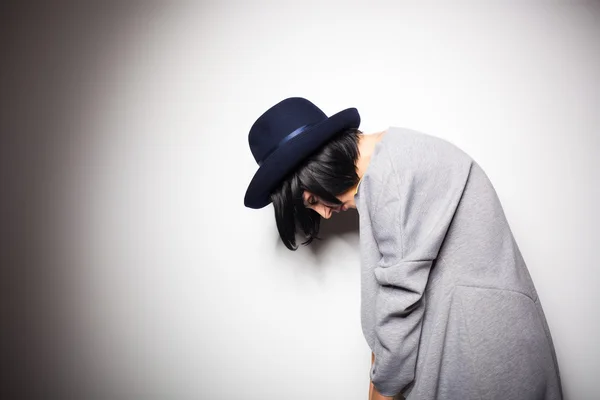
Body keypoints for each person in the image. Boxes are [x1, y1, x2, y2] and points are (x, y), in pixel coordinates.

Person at [244, 97, 564, 400]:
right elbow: (394, 294)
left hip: (486, 362)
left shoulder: (391, 179)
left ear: (317, 165)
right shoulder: (395, 160)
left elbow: (399, 308)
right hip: (483, 352)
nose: (324, 213)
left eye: (312, 200)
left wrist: (381, 390)